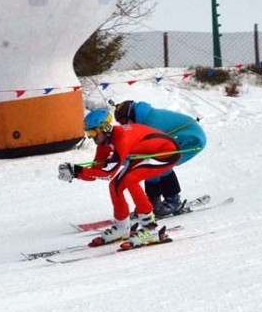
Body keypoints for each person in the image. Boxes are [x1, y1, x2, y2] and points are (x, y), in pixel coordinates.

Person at [58, 109, 180, 247]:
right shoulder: (104, 144)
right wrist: (75, 174)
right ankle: (122, 227)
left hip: (167, 152)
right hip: (148, 153)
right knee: (115, 185)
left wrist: (78, 171)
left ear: (105, 128)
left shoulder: (121, 138)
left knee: (130, 179)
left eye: (93, 132)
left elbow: (108, 172)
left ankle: (150, 227)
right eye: (88, 134)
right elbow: (96, 173)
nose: (91, 137)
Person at [113, 100, 206, 218]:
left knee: (158, 164)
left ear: (131, 115)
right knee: (153, 163)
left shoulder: (149, 122)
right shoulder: (144, 118)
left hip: (192, 140)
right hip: (182, 137)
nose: (123, 125)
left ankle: (172, 201)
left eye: (124, 121)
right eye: (120, 123)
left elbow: (142, 149)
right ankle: (155, 202)